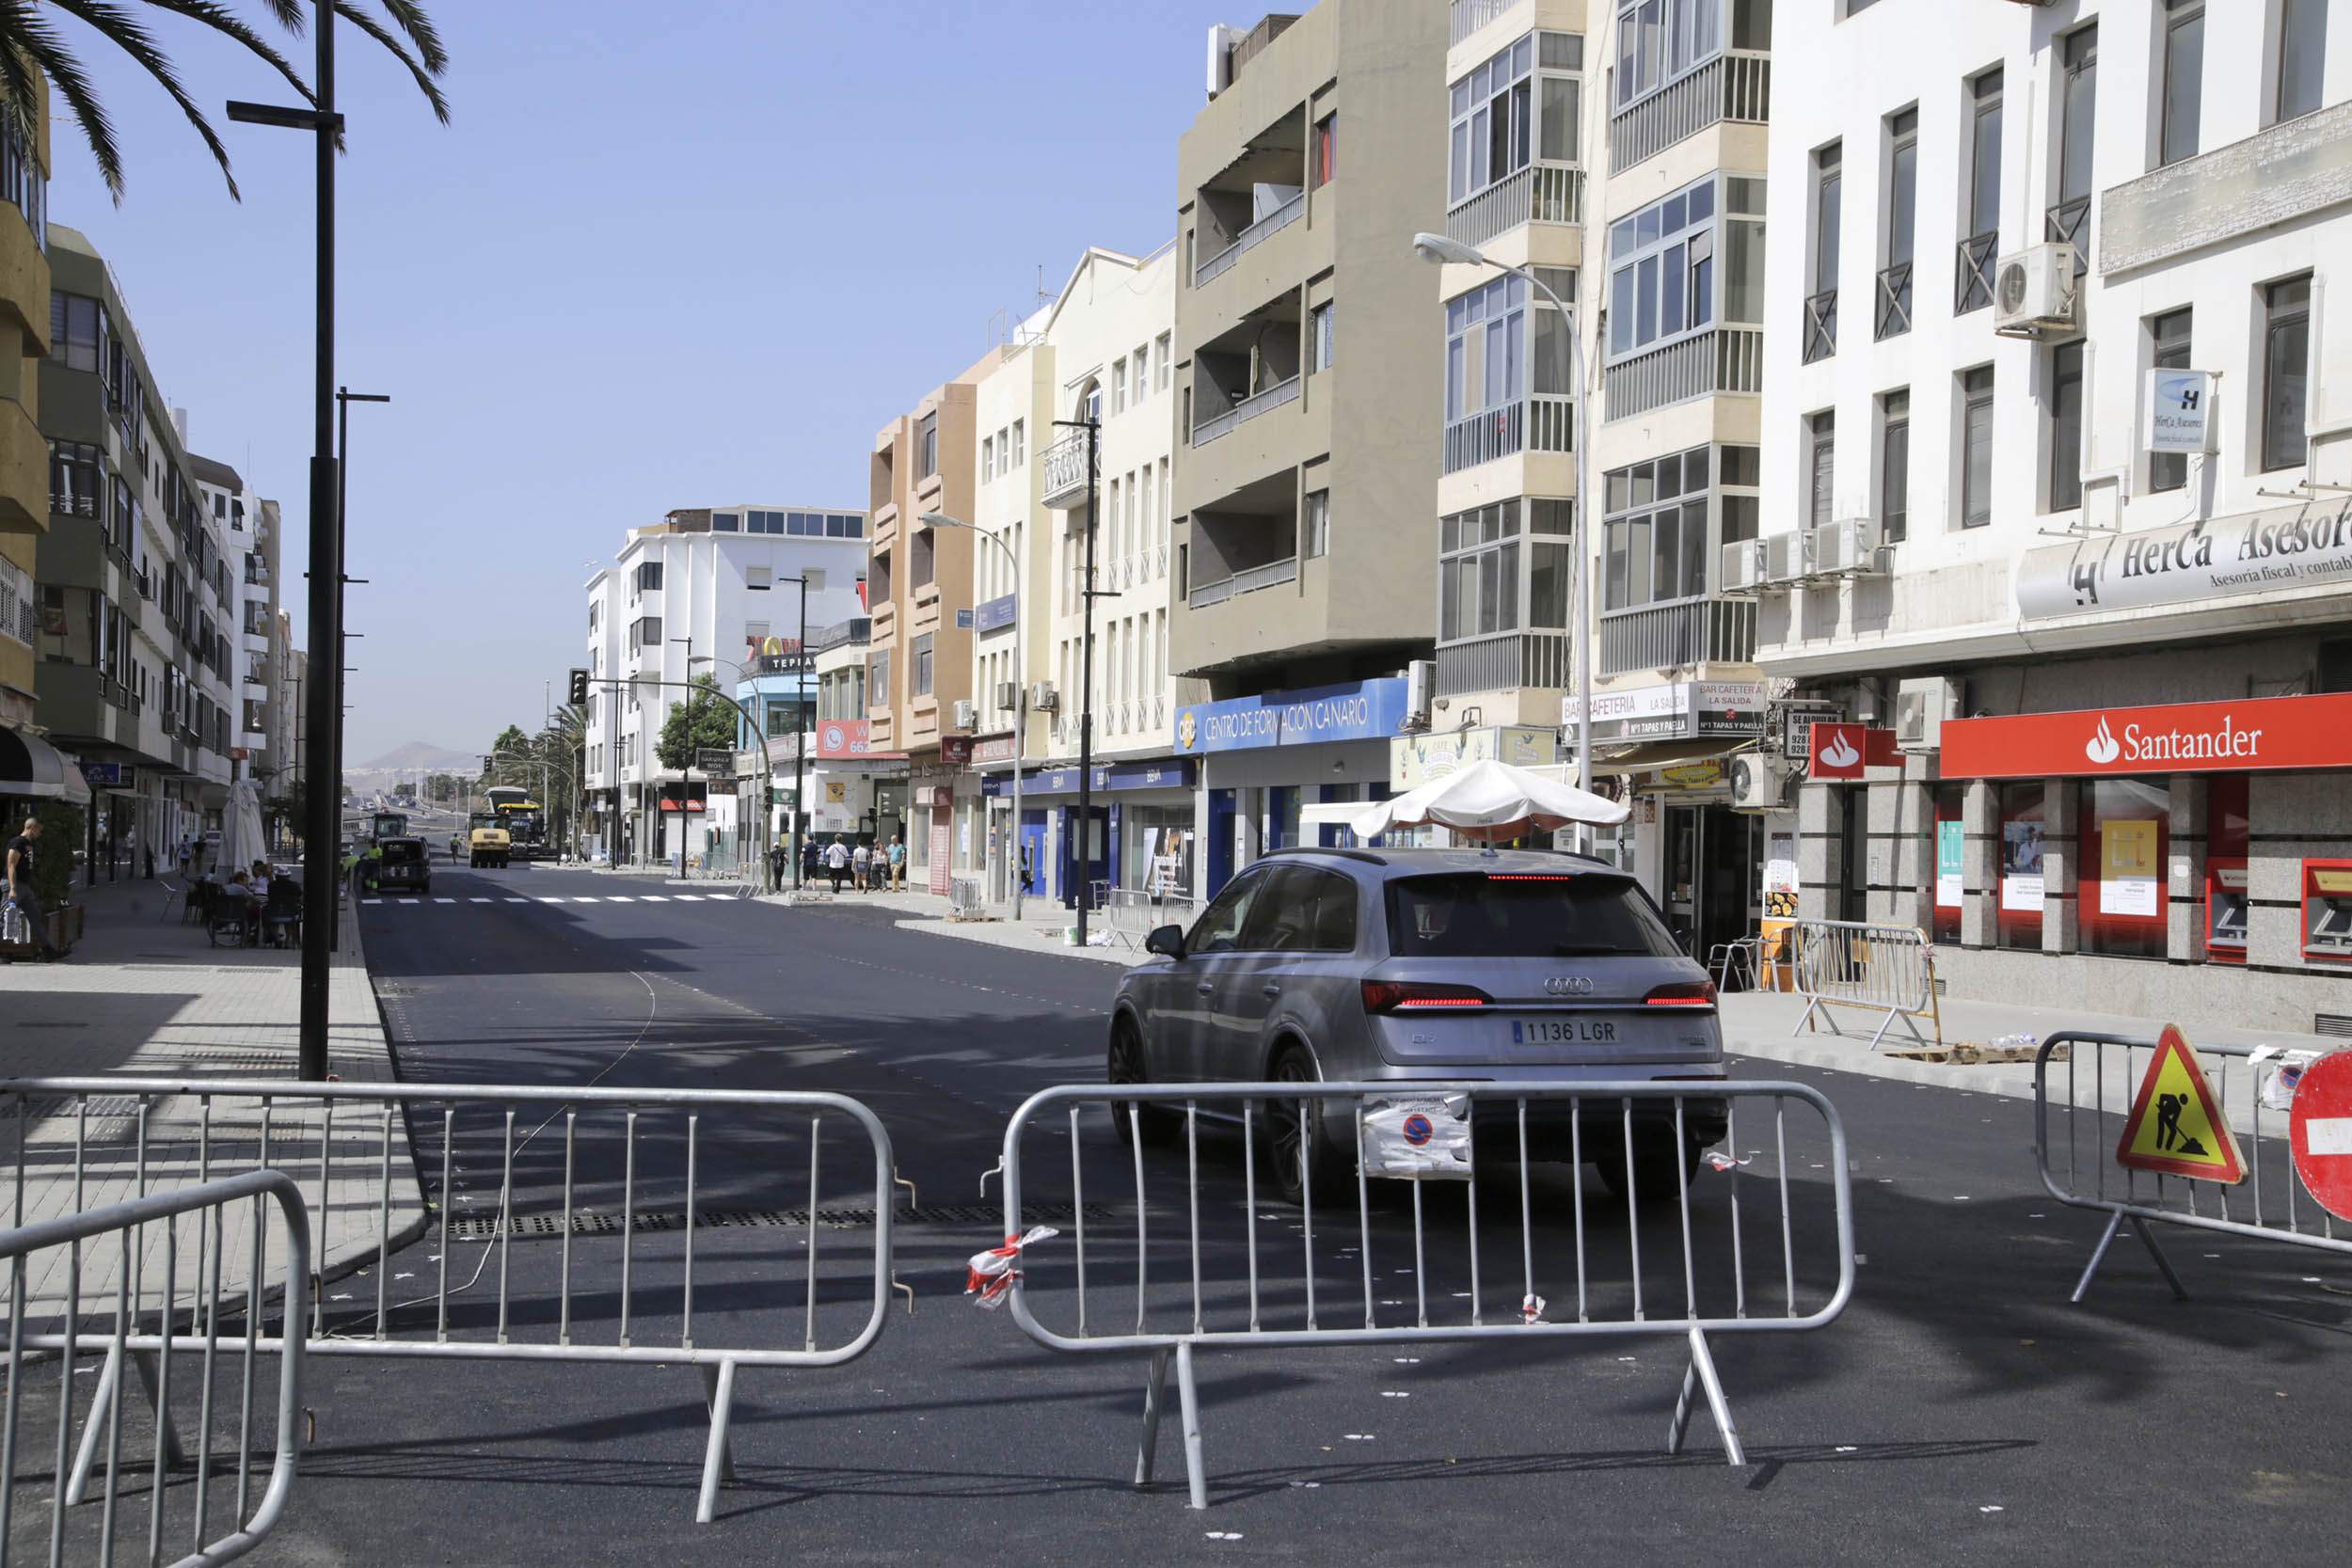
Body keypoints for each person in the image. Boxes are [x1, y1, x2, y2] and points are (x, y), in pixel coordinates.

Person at [5, 816, 61, 961]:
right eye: (39, 830)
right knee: (5, 918)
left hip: (25, 887)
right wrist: (12, 888)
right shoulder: (17, 842)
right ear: (32, 828)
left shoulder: (29, 844)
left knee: (35, 917)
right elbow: (11, 865)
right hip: (14, 885)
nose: (40, 834)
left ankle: (48, 951)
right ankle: (3, 952)